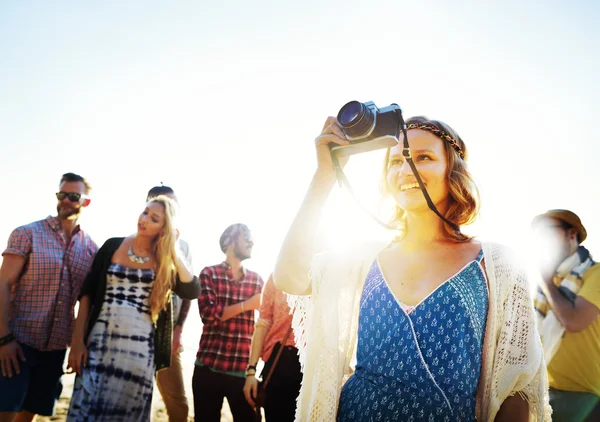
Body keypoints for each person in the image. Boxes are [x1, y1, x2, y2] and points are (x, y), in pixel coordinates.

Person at [274, 115, 551, 421]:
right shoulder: (364, 258)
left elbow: (517, 386)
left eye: (423, 157)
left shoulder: (497, 263)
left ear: (453, 169)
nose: (406, 170)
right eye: (395, 161)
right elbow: (288, 276)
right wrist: (324, 174)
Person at [66, 195, 200, 422]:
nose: (144, 218)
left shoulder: (165, 262)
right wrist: (78, 341)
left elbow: (192, 290)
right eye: (145, 211)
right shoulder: (112, 245)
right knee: (85, 411)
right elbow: (86, 292)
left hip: (139, 354)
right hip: (99, 344)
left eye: (154, 218)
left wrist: (173, 250)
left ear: (163, 229)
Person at [0, 172, 97, 422]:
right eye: (61, 194)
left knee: (29, 414)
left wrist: (78, 342)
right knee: (6, 412)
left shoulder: (91, 250)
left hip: (55, 349)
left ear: (85, 202)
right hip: (17, 341)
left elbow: (85, 300)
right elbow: (3, 283)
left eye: (73, 196)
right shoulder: (27, 233)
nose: (65, 200)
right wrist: (3, 338)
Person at [532, 209, 600, 421]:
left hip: (584, 397)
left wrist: (546, 281)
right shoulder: (547, 286)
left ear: (571, 234)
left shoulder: (595, 273)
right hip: (542, 392)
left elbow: (574, 320)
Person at [193, 223, 264, 422]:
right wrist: (247, 305)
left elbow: (264, 325)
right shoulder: (209, 274)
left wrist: (253, 371)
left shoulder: (257, 281)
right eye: (246, 237)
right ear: (230, 242)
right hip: (207, 371)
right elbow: (208, 315)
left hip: (241, 374)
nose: (252, 242)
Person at [147, 185, 193, 422]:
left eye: (172, 204)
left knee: (179, 406)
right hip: (138, 333)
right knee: (137, 402)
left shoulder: (183, 247)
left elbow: (188, 293)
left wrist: (178, 330)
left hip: (167, 335)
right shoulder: (133, 242)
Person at [243, 274, 302, 421]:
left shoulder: (326, 274)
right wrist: (251, 371)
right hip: (278, 364)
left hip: (311, 366)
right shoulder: (279, 274)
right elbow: (263, 322)